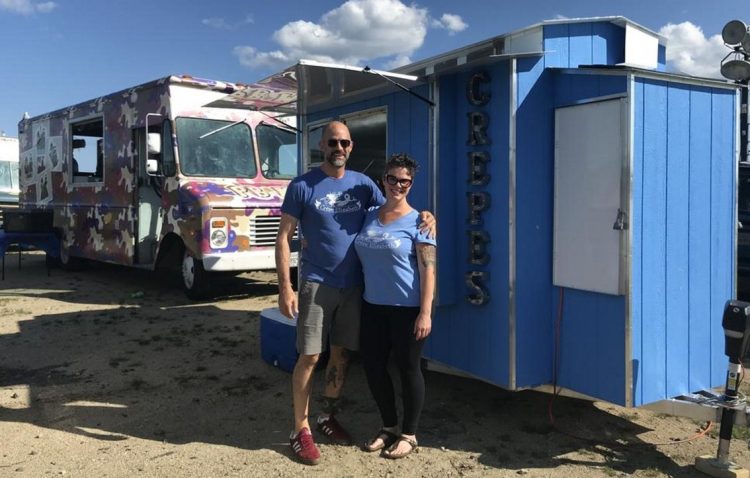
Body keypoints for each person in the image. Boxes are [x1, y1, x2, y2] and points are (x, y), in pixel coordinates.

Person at [275, 121, 434, 465]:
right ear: (321, 143)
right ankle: (300, 430)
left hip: (355, 288)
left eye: (345, 142)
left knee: (342, 354)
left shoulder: (364, 185)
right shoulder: (302, 185)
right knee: (310, 357)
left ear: (352, 146)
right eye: (333, 141)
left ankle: (327, 416)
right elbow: (284, 236)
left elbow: (394, 208)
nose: (339, 147)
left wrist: (426, 215)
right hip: (317, 282)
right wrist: (285, 286)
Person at [354, 154, 436, 459]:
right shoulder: (369, 215)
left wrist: (425, 312)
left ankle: (409, 434)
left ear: (411, 184)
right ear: (383, 180)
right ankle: (388, 427)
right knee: (373, 367)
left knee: (408, 369)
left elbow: (429, 269)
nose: (397, 185)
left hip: (408, 309)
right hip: (372, 306)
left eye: (404, 181)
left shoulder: (420, 221)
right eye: (392, 179)